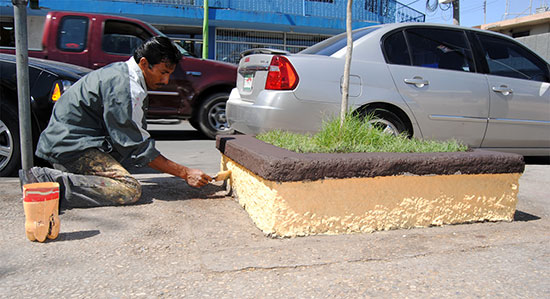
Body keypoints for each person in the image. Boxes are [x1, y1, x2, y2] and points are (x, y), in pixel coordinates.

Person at [19, 36, 212, 209]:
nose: (166, 79)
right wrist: (185, 173)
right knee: (128, 189)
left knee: (140, 163)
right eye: (163, 72)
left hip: (74, 141)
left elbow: (133, 138)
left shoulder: (124, 74)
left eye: (169, 73)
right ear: (144, 63)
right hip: (70, 148)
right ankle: (49, 183)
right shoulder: (127, 87)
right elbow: (136, 145)